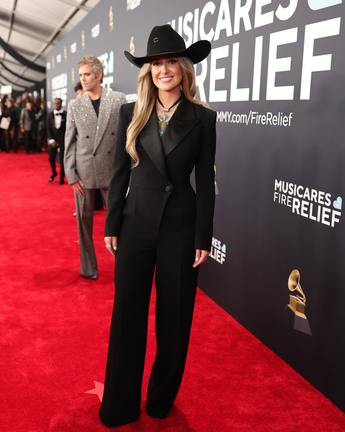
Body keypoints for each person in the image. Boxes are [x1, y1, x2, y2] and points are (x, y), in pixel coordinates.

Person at [98, 25, 216, 428]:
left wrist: (204, 235)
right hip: (135, 224)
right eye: (155, 63)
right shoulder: (130, 112)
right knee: (127, 316)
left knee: (175, 319)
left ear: (183, 67)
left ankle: (160, 400)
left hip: (181, 228)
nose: (163, 70)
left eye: (169, 62)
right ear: (147, 70)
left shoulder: (203, 117)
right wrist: (112, 222)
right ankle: (119, 403)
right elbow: (118, 175)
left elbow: (206, 181)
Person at [64, 55, 126, 280]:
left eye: (87, 74)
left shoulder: (118, 99)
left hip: (112, 171)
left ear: (99, 75)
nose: (83, 79)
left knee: (121, 221)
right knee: (83, 223)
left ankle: (125, 265)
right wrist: (71, 175)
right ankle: (88, 268)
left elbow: (127, 137)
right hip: (83, 172)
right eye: (80, 75)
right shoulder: (75, 104)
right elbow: (69, 141)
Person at [46, 98, 66, 184]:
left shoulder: (66, 114)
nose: (56, 105)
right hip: (53, 140)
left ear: (61, 104)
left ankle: (61, 178)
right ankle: (54, 173)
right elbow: (48, 128)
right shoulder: (49, 115)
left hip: (63, 140)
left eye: (58, 103)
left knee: (62, 160)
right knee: (51, 158)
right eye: (55, 103)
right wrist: (51, 140)